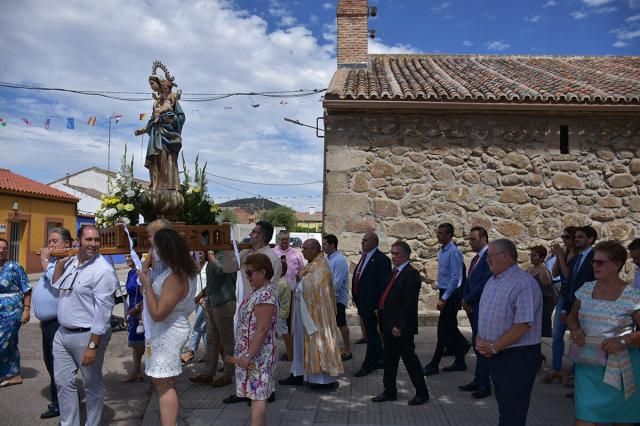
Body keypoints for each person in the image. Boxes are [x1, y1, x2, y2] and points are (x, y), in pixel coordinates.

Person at [566, 241, 640, 424]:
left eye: (600, 262)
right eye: (593, 262)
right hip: (588, 365)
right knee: (583, 418)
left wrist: (623, 341)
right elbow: (571, 317)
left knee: (620, 420)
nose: (595, 266)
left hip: (620, 368)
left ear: (616, 264)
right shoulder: (585, 289)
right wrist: (575, 329)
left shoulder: (633, 296)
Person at [51, 225, 119, 426]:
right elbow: (57, 287)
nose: (93, 244)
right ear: (78, 241)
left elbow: (103, 313)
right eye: (89, 239)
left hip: (87, 335)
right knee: (63, 383)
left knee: (91, 384)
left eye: (96, 240)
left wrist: (92, 346)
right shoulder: (72, 262)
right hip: (62, 334)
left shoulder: (103, 271)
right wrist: (59, 264)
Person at [476, 239, 542, 426]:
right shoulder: (493, 280)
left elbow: (523, 325)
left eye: (490, 257)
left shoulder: (523, 284)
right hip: (497, 353)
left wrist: (494, 347)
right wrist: (482, 339)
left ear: (505, 256)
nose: (486, 260)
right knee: (505, 406)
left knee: (513, 409)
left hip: (517, 357)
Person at [138, 228, 197, 426]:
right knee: (164, 382)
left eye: (155, 247)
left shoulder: (176, 276)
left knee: (163, 383)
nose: (153, 251)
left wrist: (146, 285)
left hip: (168, 330)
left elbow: (158, 313)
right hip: (166, 328)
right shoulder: (177, 272)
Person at [280, 239, 344, 389]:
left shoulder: (321, 267)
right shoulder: (312, 264)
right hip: (303, 312)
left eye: (306, 248)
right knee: (300, 345)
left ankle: (322, 380)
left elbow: (315, 287)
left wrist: (302, 281)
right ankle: (298, 373)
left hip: (316, 316)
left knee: (318, 344)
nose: (302, 251)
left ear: (315, 249)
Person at [372, 240, 429, 406]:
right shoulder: (395, 272)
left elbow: (408, 304)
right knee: (389, 360)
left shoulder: (411, 274)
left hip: (400, 327)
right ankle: (389, 391)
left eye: (396, 253)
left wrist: (400, 325)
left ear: (405, 255)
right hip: (389, 323)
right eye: (392, 253)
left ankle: (422, 393)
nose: (393, 256)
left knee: (410, 360)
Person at [233, 253, 278, 426]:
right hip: (253, 354)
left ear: (262, 272)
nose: (247, 277)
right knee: (255, 396)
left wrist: (249, 354)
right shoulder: (259, 292)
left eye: (250, 273)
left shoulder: (265, 295)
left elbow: (262, 329)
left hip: (259, 356)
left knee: (258, 397)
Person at [32, 227, 73, 418]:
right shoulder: (54, 262)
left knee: (58, 365)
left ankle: (60, 404)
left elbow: (56, 281)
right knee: (50, 363)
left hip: (57, 323)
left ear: (67, 244)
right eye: (49, 241)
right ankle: (61, 398)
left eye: (54, 241)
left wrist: (45, 262)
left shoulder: (66, 261)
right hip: (47, 323)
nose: (50, 245)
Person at [424, 223, 469, 376]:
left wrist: (444, 298)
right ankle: (461, 356)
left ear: (450, 235)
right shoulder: (442, 251)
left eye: (442, 233)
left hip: (451, 294)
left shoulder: (453, 253)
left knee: (443, 329)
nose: (439, 235)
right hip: (445, 291)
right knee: (449, 327)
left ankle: (434, 363)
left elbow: (456, 278)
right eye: (438, 232)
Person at [191, 250, 237, 387]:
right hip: (212, 302)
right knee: (212, 338)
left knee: (227, 340)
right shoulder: (215, 256)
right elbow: (212, 282)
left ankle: (228, 374)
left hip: (224, 302)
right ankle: (209, 372)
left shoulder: (227, 254)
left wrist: (211, 259)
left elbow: (221, 271)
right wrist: (200, 295)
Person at [134, 68, 185, 191]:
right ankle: (156, 184)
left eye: (152, 84)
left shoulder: (171, 99)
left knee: (165, 158)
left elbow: (181, 117)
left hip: (167, 136)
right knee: (155, 159)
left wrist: (171, 120)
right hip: (156, 134)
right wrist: (145, 129)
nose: (151, 87)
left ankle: (169, 185)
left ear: (160, 83)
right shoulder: (156, 103)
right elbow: (153, 119)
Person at [459, 226, 492, 399]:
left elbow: (484, 282)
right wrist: (465, 298)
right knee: (476, 343)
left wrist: (469, 299)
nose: (470, 242)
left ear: (484, 239)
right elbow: (469, 279)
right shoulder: (475, 259)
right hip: (472, 306)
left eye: (473, 239)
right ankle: (478, 380)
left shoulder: (489, 257)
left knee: (482, 345)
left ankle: (485, 384)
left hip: (481, 306)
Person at [352, 231, 391, 377]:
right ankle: (380, 358)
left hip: (372, 306)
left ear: (374, 242)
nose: (362, 242)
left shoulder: (381, 259)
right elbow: (359, 277)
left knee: (372, 335)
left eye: (365, 240)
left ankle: (368, 364)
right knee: (371, 333)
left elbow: (383, 285)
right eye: (362, 240)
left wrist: (378, 306)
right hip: (363, 303)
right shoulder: (365, 257)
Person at [545, 226, 578, 384]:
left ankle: (575, 369)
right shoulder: (564, 254)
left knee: (574, 335)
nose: (564, 240)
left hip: (574, 298)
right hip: (563, 297)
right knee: (557, 334)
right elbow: (556, 273)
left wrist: (561, 258)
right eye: (563, 237)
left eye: (567, 237)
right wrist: (559, 257)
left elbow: (568, 275)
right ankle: (556, 368)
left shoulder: (579, 256)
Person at [223, 221, 281, 302]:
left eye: (253, 232)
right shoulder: (247, 251)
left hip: (260, 306)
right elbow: (228, 268)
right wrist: (229, 250)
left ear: (261, 236)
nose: (250, 234)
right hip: (244, 303)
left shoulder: (272, 258)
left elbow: (269, 289)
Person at [0, 238, 31, 388]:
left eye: (4, 248)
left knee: (2, 341)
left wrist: (26, 309)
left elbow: (27, 289)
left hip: (12, 312)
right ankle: (14, 374)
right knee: (10, 344)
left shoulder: (14, 267)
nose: (1, 250)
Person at [322, 234, 352, 361]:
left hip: (337, 298)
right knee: (332, 324)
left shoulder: (339, 260)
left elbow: (337, 283)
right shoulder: (328, 259)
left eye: (325, 244)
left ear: (332, 245)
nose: (323, 246)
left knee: (341, 323)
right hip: (328, 297)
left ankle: (348, 350)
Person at [122, 254, 145, 383]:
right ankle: (136, 371)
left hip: (142, 311)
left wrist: (138, 307)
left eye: (129, 256)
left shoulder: (143, 272)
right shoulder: (131, 272)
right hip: (132, 311)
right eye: (125, 256)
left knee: (144, 342)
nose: (126, 259)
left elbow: (147, 292)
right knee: (136, 344)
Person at [182, 253, 208, 365]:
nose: (199, 256)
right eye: (196, 254)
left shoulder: (208, 266)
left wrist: (203, 297)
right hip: (196, 300)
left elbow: (210, 284)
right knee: (204, 329)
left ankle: (191, 351)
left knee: (198, 324)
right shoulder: (193, 269)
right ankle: (209, 354)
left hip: (205, 300)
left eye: (201, 253)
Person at [527, 246, 554, 340]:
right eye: (531, 255)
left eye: (535, 255)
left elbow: (547, 286)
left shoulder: (544, 271)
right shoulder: (529, 269)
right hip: (531, 302)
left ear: (542, 258)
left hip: (543, 303)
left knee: (542, 329)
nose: (532, 257)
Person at [275, 255, 293, 360]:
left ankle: (290, 354)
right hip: (282, 310)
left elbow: (274, 295)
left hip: (281, 312)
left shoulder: (281, 283)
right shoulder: (282, 281)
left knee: (284, 332)